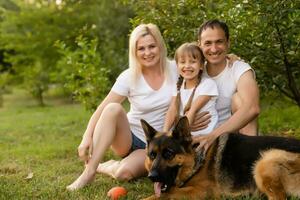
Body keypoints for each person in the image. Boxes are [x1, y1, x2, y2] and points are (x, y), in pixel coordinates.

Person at [66, 23, 208, 191]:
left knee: (123, 174)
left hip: (159, 145)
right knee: (112, 108)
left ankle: (107, 166)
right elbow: (101, 108)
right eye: (141, 48)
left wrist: (231, 59)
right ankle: (89, 171)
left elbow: (201, 63)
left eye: (152, 46)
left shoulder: (176, 67)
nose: (147, 53)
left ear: (160, 46)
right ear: (135, 51)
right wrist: (86, 137)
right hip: (130, 137)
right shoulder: (128, 76)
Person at [193, 19, 260, 152]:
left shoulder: (239, 68)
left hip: (233, 138)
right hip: (198, 138)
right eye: (208, 43)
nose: (214, 49)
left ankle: (249, 155)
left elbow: (253, 108)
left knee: (239, 99)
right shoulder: (192, 71)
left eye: (219, 42)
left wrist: (213, 135)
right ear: (199, 45)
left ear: (228, 43)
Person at [163, 42, 218, 136]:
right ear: (177, 65)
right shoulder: (177, 86)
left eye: (192, 61)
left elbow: (193, 110)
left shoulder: (208, 84)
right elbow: (172, 110)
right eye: (183, 62)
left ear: (201, 65)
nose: (187, 66)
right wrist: (164, 133)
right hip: (187, 135)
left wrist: (179, 136)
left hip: (206, 137)